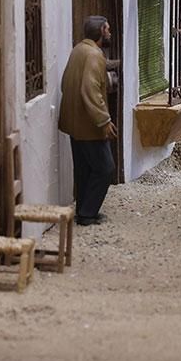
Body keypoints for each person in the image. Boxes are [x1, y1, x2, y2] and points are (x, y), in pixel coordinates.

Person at [59, 15, 118, 226]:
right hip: (89, 124)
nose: (110, 33)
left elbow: (66, 82)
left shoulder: (79, 50)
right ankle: (88, 213)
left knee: (84, 168)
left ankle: (83, 210)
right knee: (105, 168)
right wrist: (103, 120)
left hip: (74, 122)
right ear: (101, 31)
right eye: (108, 29)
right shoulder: (94, 54)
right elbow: (90, 89)